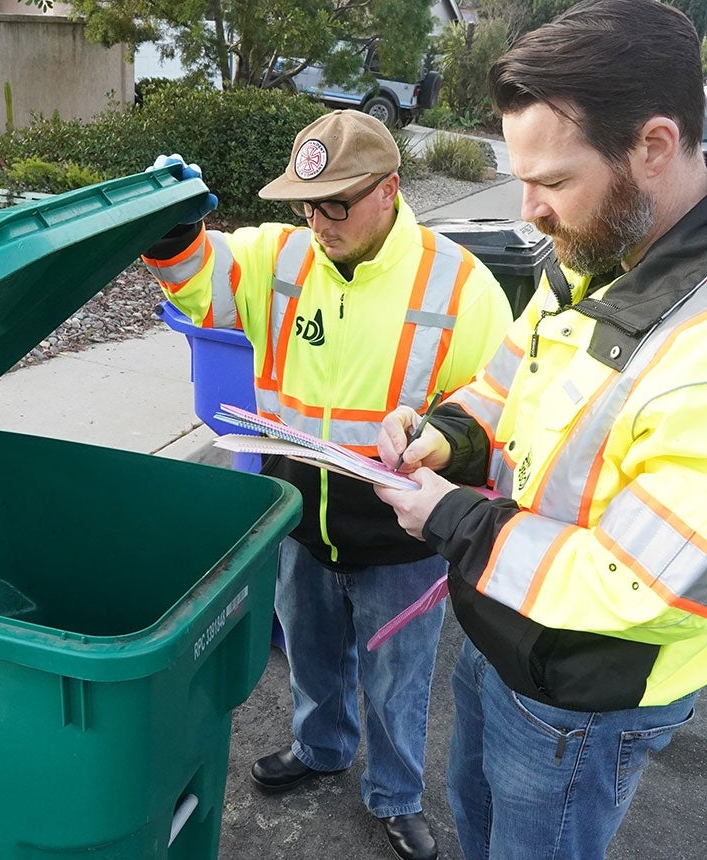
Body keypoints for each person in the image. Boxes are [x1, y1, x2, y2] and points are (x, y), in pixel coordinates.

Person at [373, 2, 707, 857]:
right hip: (502, 631)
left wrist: (450, 518)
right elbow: (515, 376)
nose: (530, 213)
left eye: (554, 182)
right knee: (477, 822)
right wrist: (446, 433)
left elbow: (647, 582)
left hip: (586, 696)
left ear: (655, 147)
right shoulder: (595, 248)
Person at [142, 110, 511, 860]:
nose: (319, 219)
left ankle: (397, 796)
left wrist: (447, 447)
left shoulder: (460, 284)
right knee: (310, 655)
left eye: (337, 202)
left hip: (400, 531)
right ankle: (321, 749)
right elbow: (200, 281)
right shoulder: (280, 257)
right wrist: (169, 231)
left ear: (389, 190)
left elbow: (501, 400)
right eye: (308, 202)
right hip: (297, 514)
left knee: (398, 682)